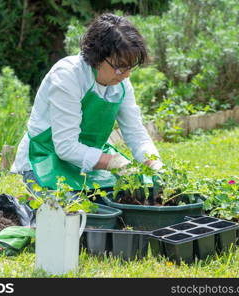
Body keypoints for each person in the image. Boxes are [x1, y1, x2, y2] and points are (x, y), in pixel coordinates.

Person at [11, 13, 163, 191]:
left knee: (131, 198)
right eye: (120, 67)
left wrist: (154, 163)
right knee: (74, 215)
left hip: (87, 164)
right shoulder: (68, 76)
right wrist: (114, 162)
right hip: (44, 160)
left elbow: (135, 132)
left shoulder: (120, 83)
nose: (126, 75)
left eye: (129, 68)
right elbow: (66, 147)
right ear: (97, 56)